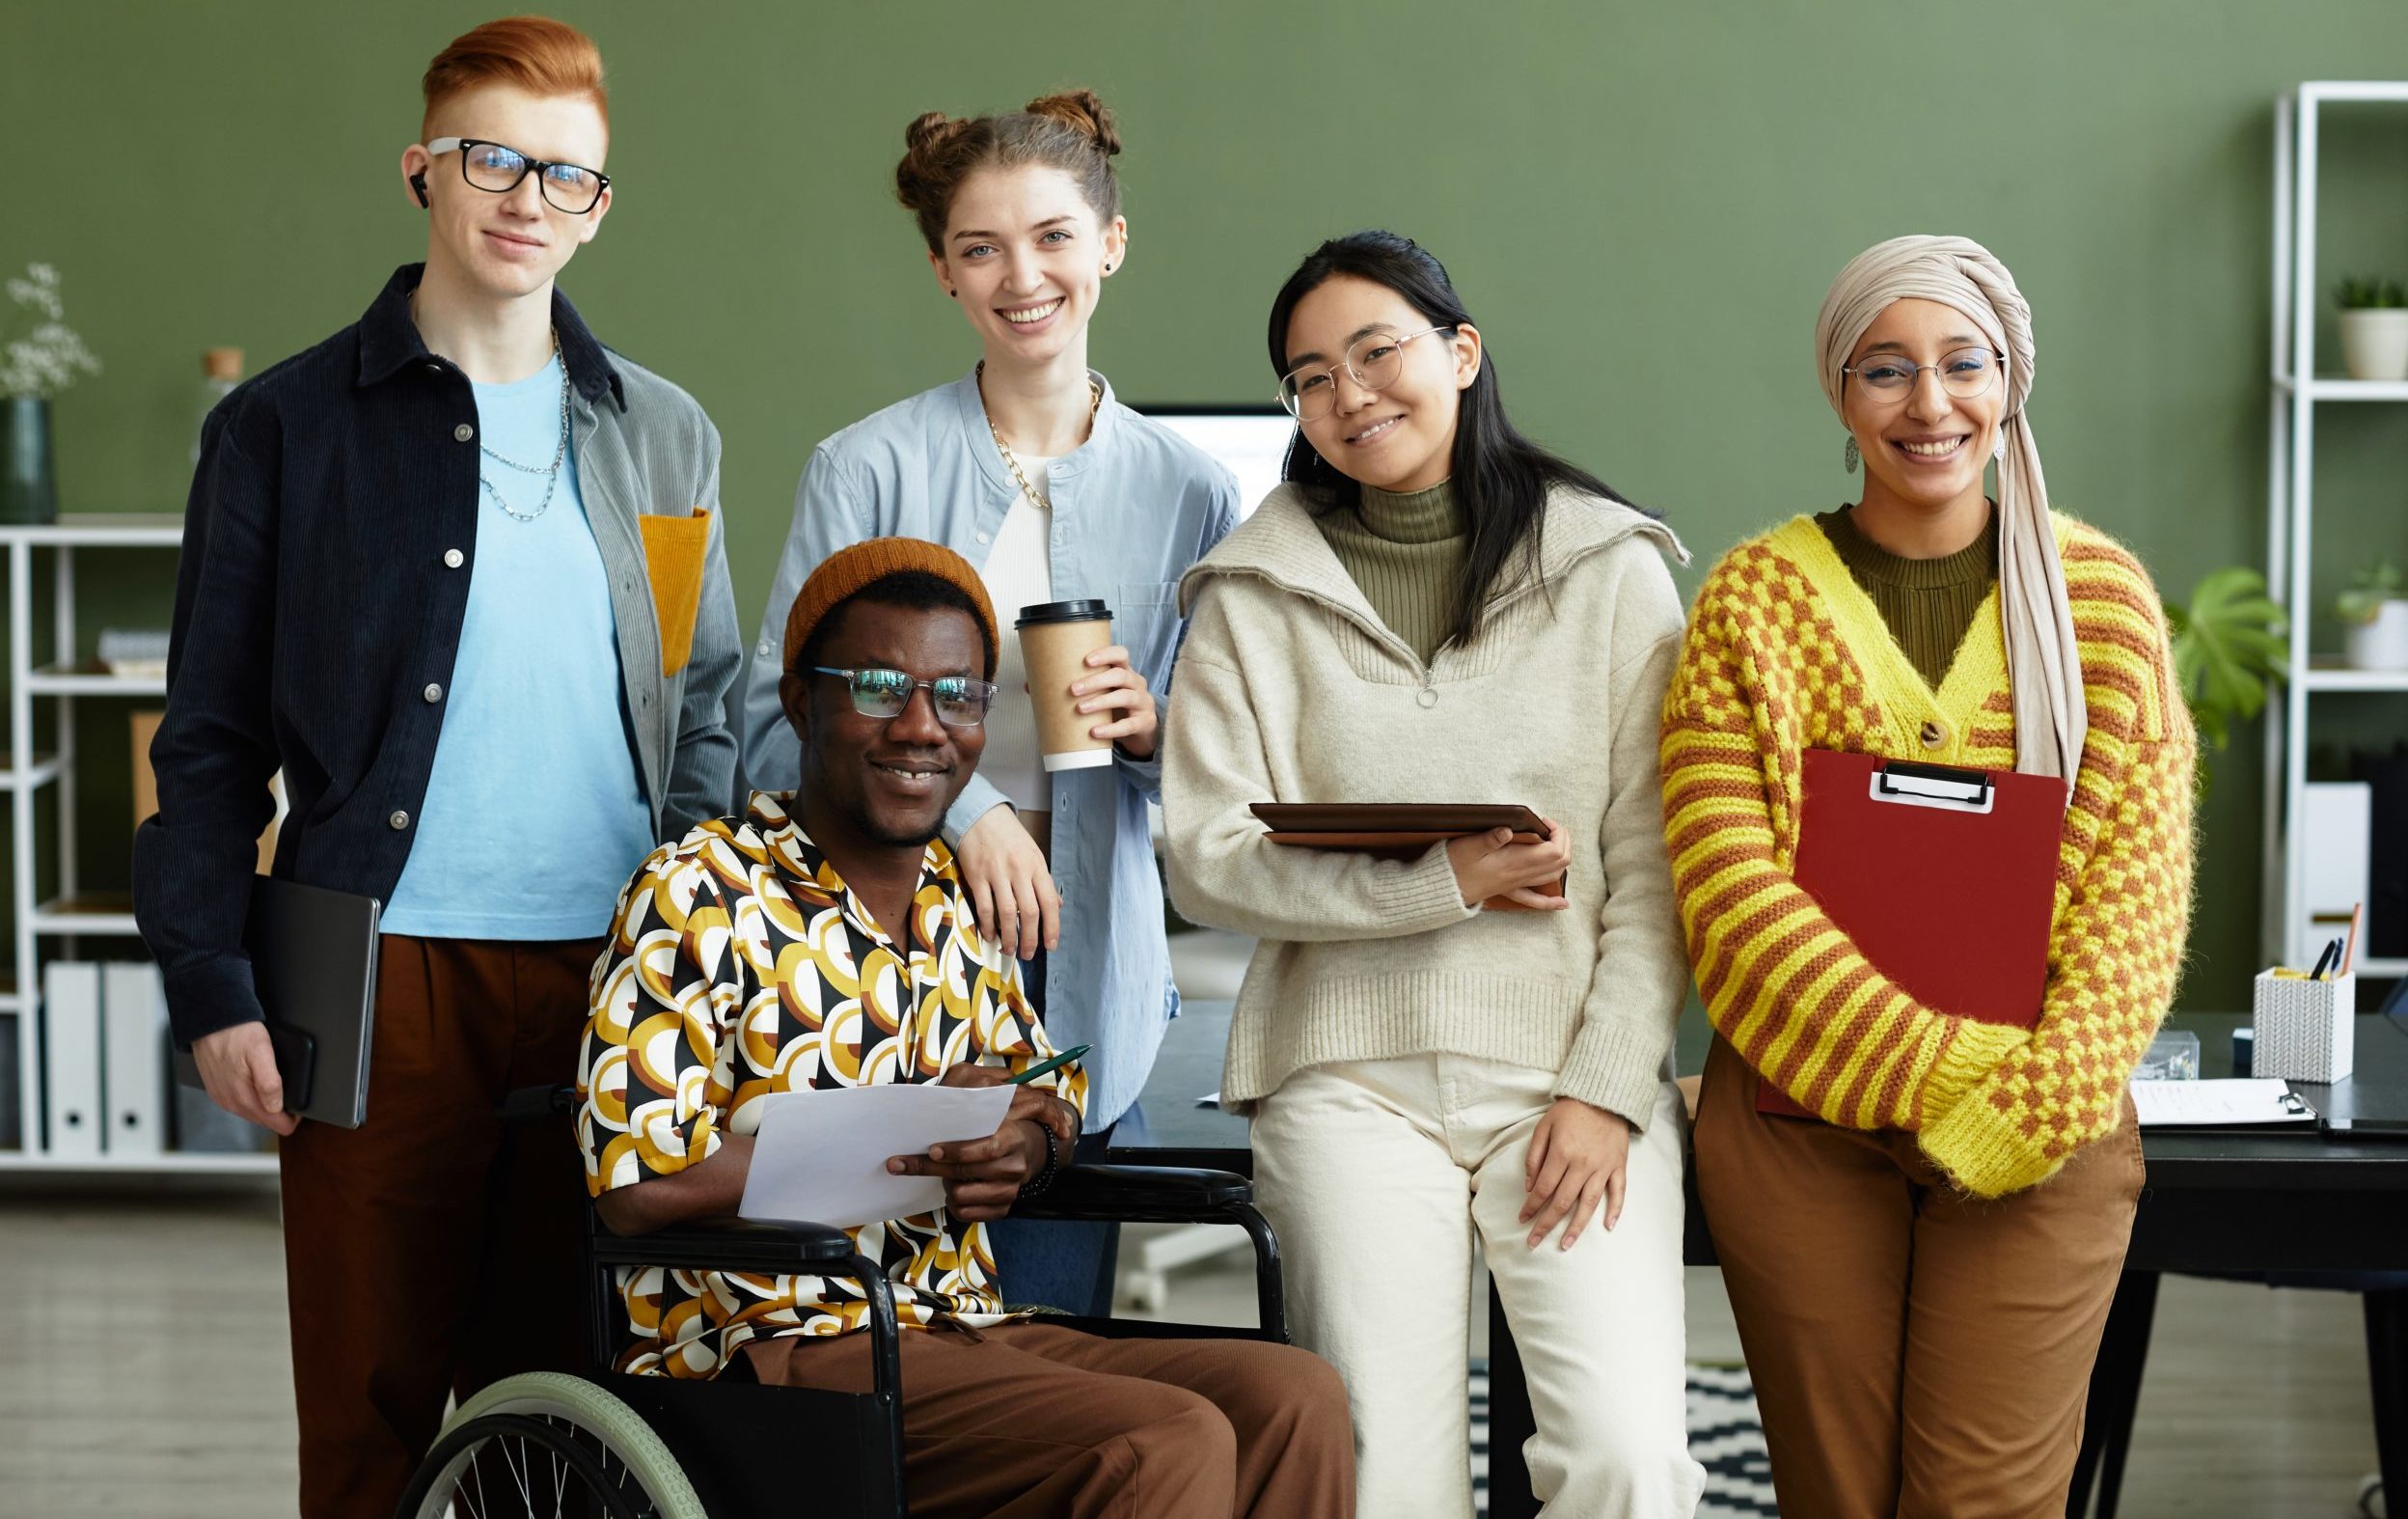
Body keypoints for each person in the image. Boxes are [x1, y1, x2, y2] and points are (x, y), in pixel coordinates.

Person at [128, 17, 740, 1514]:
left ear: (601, 205)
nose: (525, 197)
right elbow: (205, 734)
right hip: (373, 975)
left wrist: (704, 947)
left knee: (586, 1403)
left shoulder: (661, 435)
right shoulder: (281, 429)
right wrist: (210, 981)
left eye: (565, 176)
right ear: (423, 169)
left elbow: (705, 702)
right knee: (371, 1405)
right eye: (491, 158)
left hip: (615, 978)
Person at [584, 538, 1353, 1516]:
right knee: (1165, 1436)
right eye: (876, 686)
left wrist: (1021, 1142)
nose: (920, 726)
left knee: (1291, 1396)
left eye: (957, 694)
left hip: (959, 1322)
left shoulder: (955, 903)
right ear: (800, 702)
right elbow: (636, 1188)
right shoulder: (697, 891)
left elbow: (1046, 1088)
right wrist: (884, 1141)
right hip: (771, 1343)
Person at [1163, 231, 1706, 1517]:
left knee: (1628, 1462)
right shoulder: (1248, 593)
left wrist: (1606, 1087)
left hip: (1565, 1085)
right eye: (1309, 377)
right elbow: (1209, 858)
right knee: (1382, 1483)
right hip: (1344, 1082)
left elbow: (1658, 866)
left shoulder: (1613, 570)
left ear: (1460, 353)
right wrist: (1443, 880)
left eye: (1376, 351)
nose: (1348, 396)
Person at [1661, 235, 2197, 1517]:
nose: (1929, 402)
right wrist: (1957, 1067)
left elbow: (2138, 892)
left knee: (1986, 1500)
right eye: (1885, 369)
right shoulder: (1751, 607)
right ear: (1840, 394)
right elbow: (1729, 896)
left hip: (2048, 1117)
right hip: (1801, 1118)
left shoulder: (2103, 601)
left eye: (1964, 363)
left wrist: (2038, 1091)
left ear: (2011, 379)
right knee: (1836, 1494)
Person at [738, 89, 1239, 1315]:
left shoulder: (1194, 495)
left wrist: (1156, 729)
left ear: (1111, 243)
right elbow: (765, 720)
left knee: (1047, 1356)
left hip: (1080, 992)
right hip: (863, 982)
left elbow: (1230, 769)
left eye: (1056, 236)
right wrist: (971, 813)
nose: (1024, 275)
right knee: (866, 1363)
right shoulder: (868, 467)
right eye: (982, 247)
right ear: (943, 271)